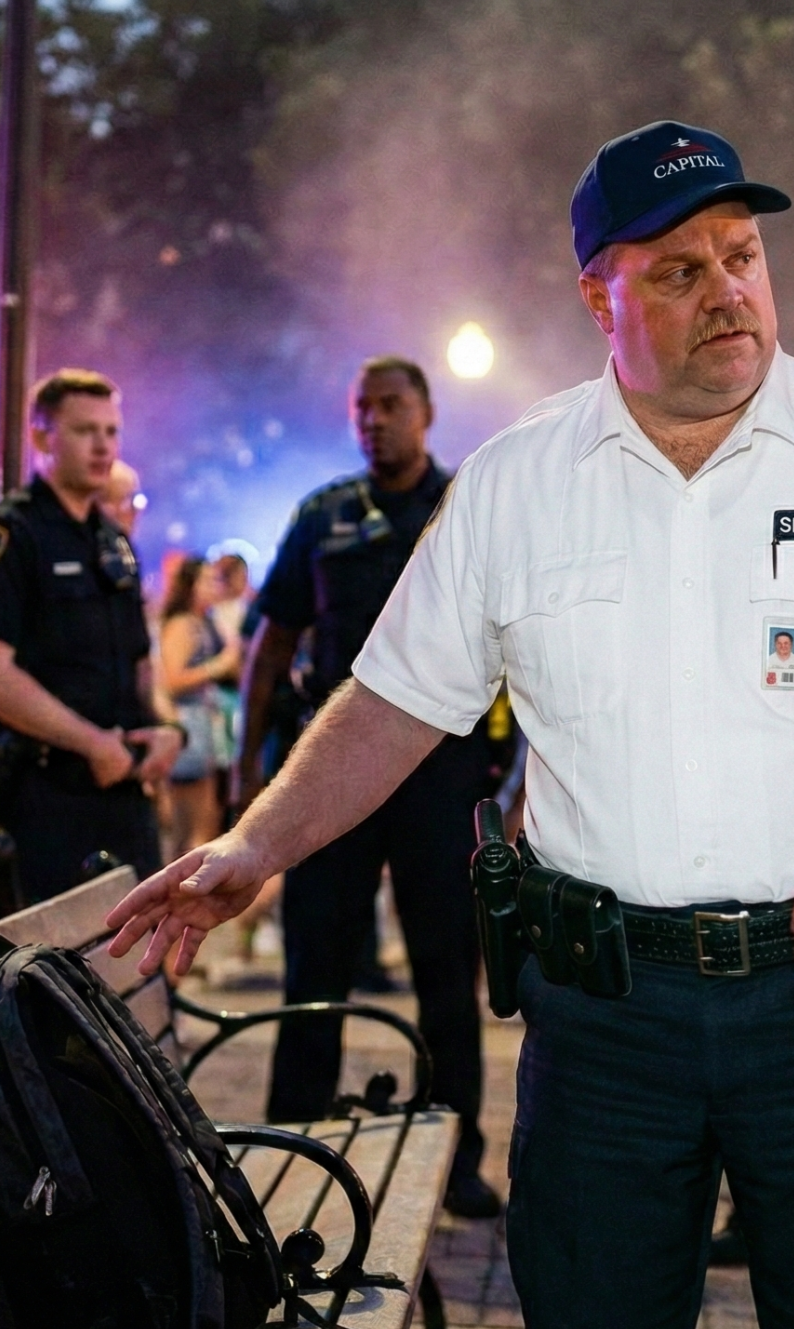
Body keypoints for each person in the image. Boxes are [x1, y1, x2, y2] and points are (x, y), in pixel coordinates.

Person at [107, 120, 794, 1329]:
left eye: (743, 256)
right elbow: (390, 701)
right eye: (678, 273)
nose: (727, 295)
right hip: (607, 1022)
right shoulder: (520, 484)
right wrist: (252, 850)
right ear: (599, 294)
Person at [233, 356, 509, 1217]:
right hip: (339, 769)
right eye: (362, 407)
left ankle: (456, 1155)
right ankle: (292, 1141)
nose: (374, 420)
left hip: (443, 772)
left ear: (426, 412)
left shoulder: (469, 502)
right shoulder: (323, 514)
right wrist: (251, 772)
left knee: (445, 967)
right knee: (315, 961)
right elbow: (272, 643)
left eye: (391, 405)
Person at [0, 369, 181, 901]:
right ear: (41, 437)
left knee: (136, 962)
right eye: (85, 431)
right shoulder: (7, 535)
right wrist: (92, 742)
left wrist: (165, 728)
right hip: (38, 790)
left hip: (119, 787)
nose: (103, 446)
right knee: (40, 968)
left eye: (111, 432)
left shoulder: (113, 542)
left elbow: (138, 660)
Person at [156, 553, 238, 859]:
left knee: (206, 821)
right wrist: (218, 666)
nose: (215, 585)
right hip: (189, 728)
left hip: (205, 726)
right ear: (189, 585)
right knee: (192, 828)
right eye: (207, 579)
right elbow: (171, 680)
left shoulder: (204, 621)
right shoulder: (182, 625)